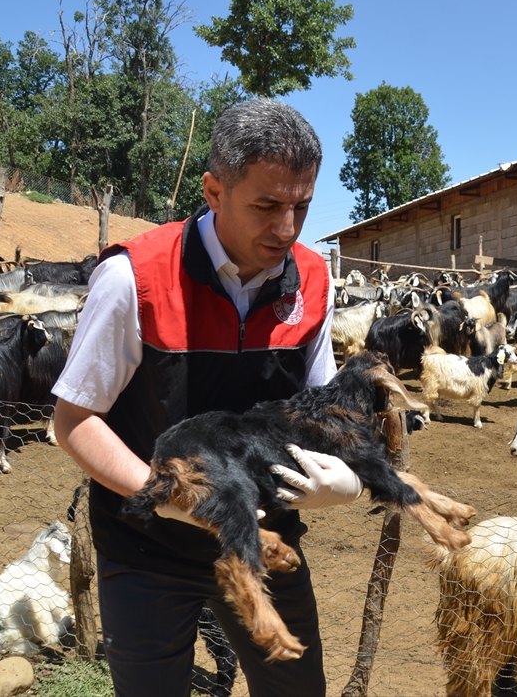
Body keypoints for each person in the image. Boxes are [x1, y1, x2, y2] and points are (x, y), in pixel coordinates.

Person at [52, 98, 363, 697]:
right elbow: (75, 420)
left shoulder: (314, 279)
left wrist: (343, 475)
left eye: (301, 206)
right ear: (214, 191)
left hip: (264, 542)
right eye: (267, 206)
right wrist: (168, 496)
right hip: (147, 545)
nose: (287, 229)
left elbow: (321, 409)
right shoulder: (134, 278)